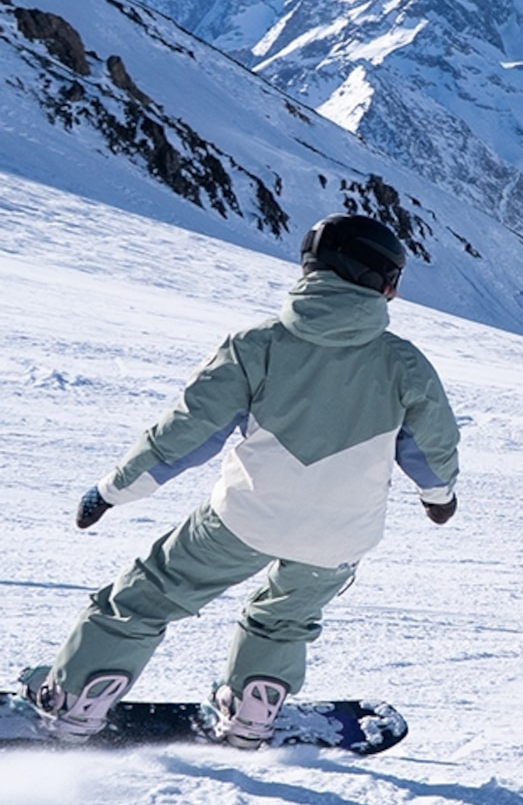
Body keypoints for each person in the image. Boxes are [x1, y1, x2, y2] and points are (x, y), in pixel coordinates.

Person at [22, 214, 461, 744]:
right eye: (394, 279)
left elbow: (185, 432)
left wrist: (113, 490)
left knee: (146, 596)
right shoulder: (404, 363)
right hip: (342, 536)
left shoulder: (257, 345)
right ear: (378, 280)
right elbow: (432, 448)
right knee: (285, 618)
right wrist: (438, 497)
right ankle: (253, 712)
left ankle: (75, 702)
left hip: (246, 519)